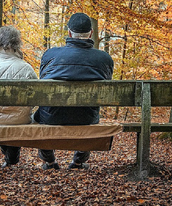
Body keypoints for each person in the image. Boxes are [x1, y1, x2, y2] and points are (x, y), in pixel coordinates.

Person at [33, 13, 114, 170]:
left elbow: (43, 81)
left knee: (42, 113)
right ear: (90, 33)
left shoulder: (50, 55)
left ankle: (49, 162)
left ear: (69, 33)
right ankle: (78, 162)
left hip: (51, 117)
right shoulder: (104, 58)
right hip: (86, 117)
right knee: (87, 113)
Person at [0, 26, 38, 169]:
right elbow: (36, 97)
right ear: (17, 45)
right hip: (19, 118)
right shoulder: (26, 68)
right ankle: (12, 160)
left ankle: (10, 160)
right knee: (15, 118)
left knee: (0, 119)